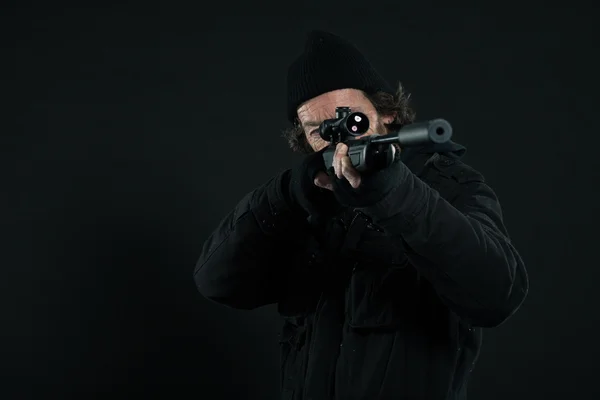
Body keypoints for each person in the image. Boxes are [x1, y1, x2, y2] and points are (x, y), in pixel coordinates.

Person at [193, 30, 529, 400]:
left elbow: (499, 292)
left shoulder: (448, 186)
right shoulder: (310, 201)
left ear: (386, 113)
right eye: (322, 132)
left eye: (353, 121)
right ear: (305, 141)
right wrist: (286, 195)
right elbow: (218, 281)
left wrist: (396, 196)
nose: (341, 141)